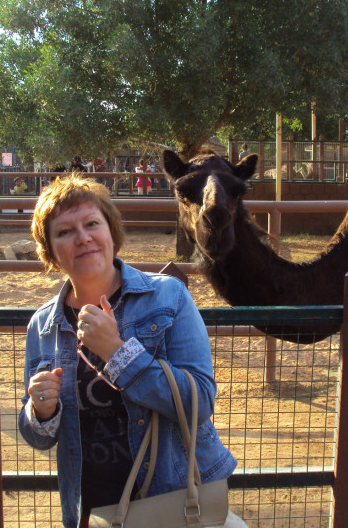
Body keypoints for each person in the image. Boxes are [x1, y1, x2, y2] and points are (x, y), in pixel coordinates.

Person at [18, 174, 240, 528]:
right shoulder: (43, 325)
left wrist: (117, 352)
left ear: (111, 231)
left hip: (174, 499)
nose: (82, 238)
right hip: (93, 509)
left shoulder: (168, 297)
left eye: (92, 224)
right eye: (65, 232)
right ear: (50, 250)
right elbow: (38, 438)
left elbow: (199, 402)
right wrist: (41, 412)